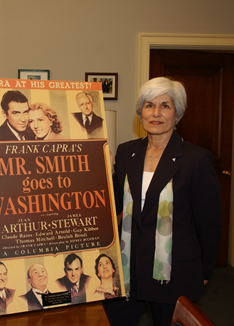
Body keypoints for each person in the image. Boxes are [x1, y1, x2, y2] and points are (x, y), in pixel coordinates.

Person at [102, 77, 222, 326]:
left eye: (165, 106)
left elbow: (209, 223)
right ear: (140, 112)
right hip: (126, 267)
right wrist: (101, 171)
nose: (155, 113)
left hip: (173, 271)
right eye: (149, 105)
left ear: (177, 114)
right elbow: (113, 202)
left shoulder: (196, 159)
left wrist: (204, 272)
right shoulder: (126, 152)